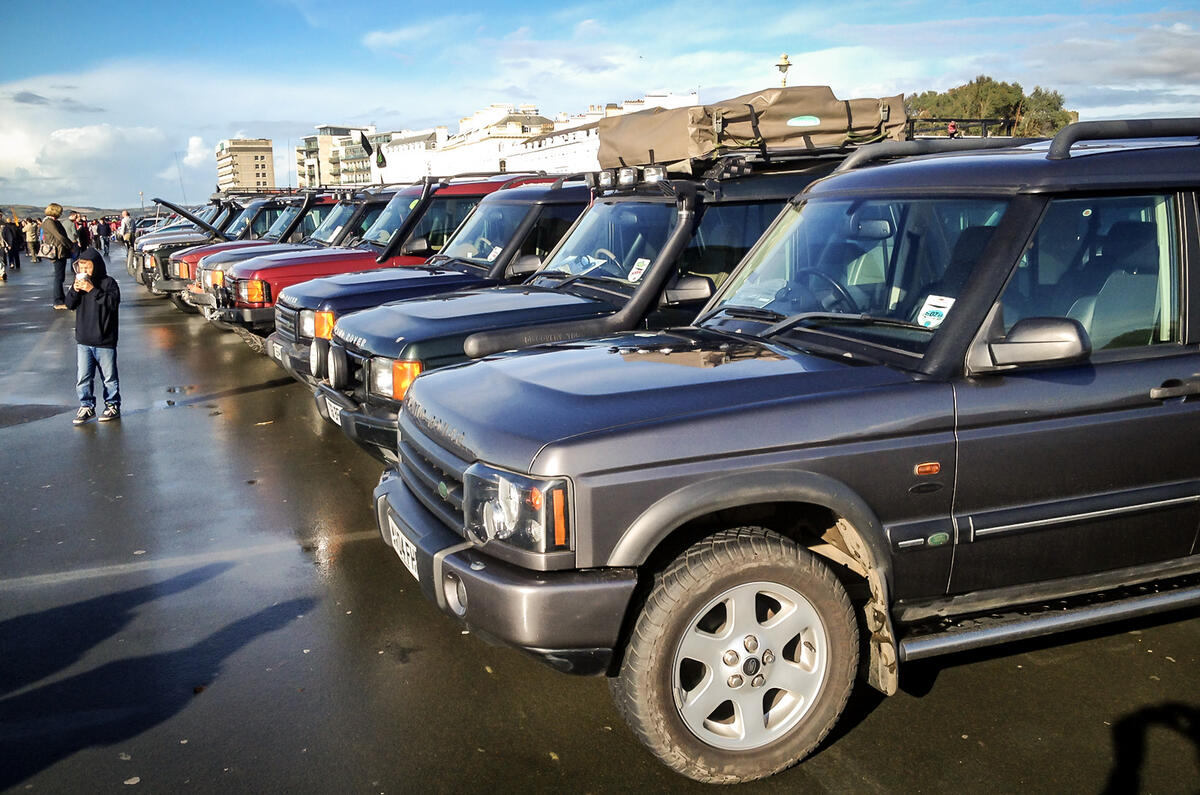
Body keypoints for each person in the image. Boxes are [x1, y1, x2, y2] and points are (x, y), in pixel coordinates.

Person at [64, 247, 121, 424]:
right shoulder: (79, 285)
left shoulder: (108, 283)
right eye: (81, 268)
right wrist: (74, 290)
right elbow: (69, 304)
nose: (84, 271)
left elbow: (112, 304)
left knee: (109, 378)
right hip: (84, 339)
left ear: (96, 266)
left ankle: (112, 405)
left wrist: (91, 289)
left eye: (88, 267)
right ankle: (86, 406)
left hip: (104, 340)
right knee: (83, 378)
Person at [41, 203, 73, 308]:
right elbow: (59, 236)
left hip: (60, 251)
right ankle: (58, 301)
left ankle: (61, 299)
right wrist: (70, 245)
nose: (61, 213)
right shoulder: (49, 222)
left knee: (60, 276)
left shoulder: (52, 221)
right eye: (59, 211)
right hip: (57, 252)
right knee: (58, 277)